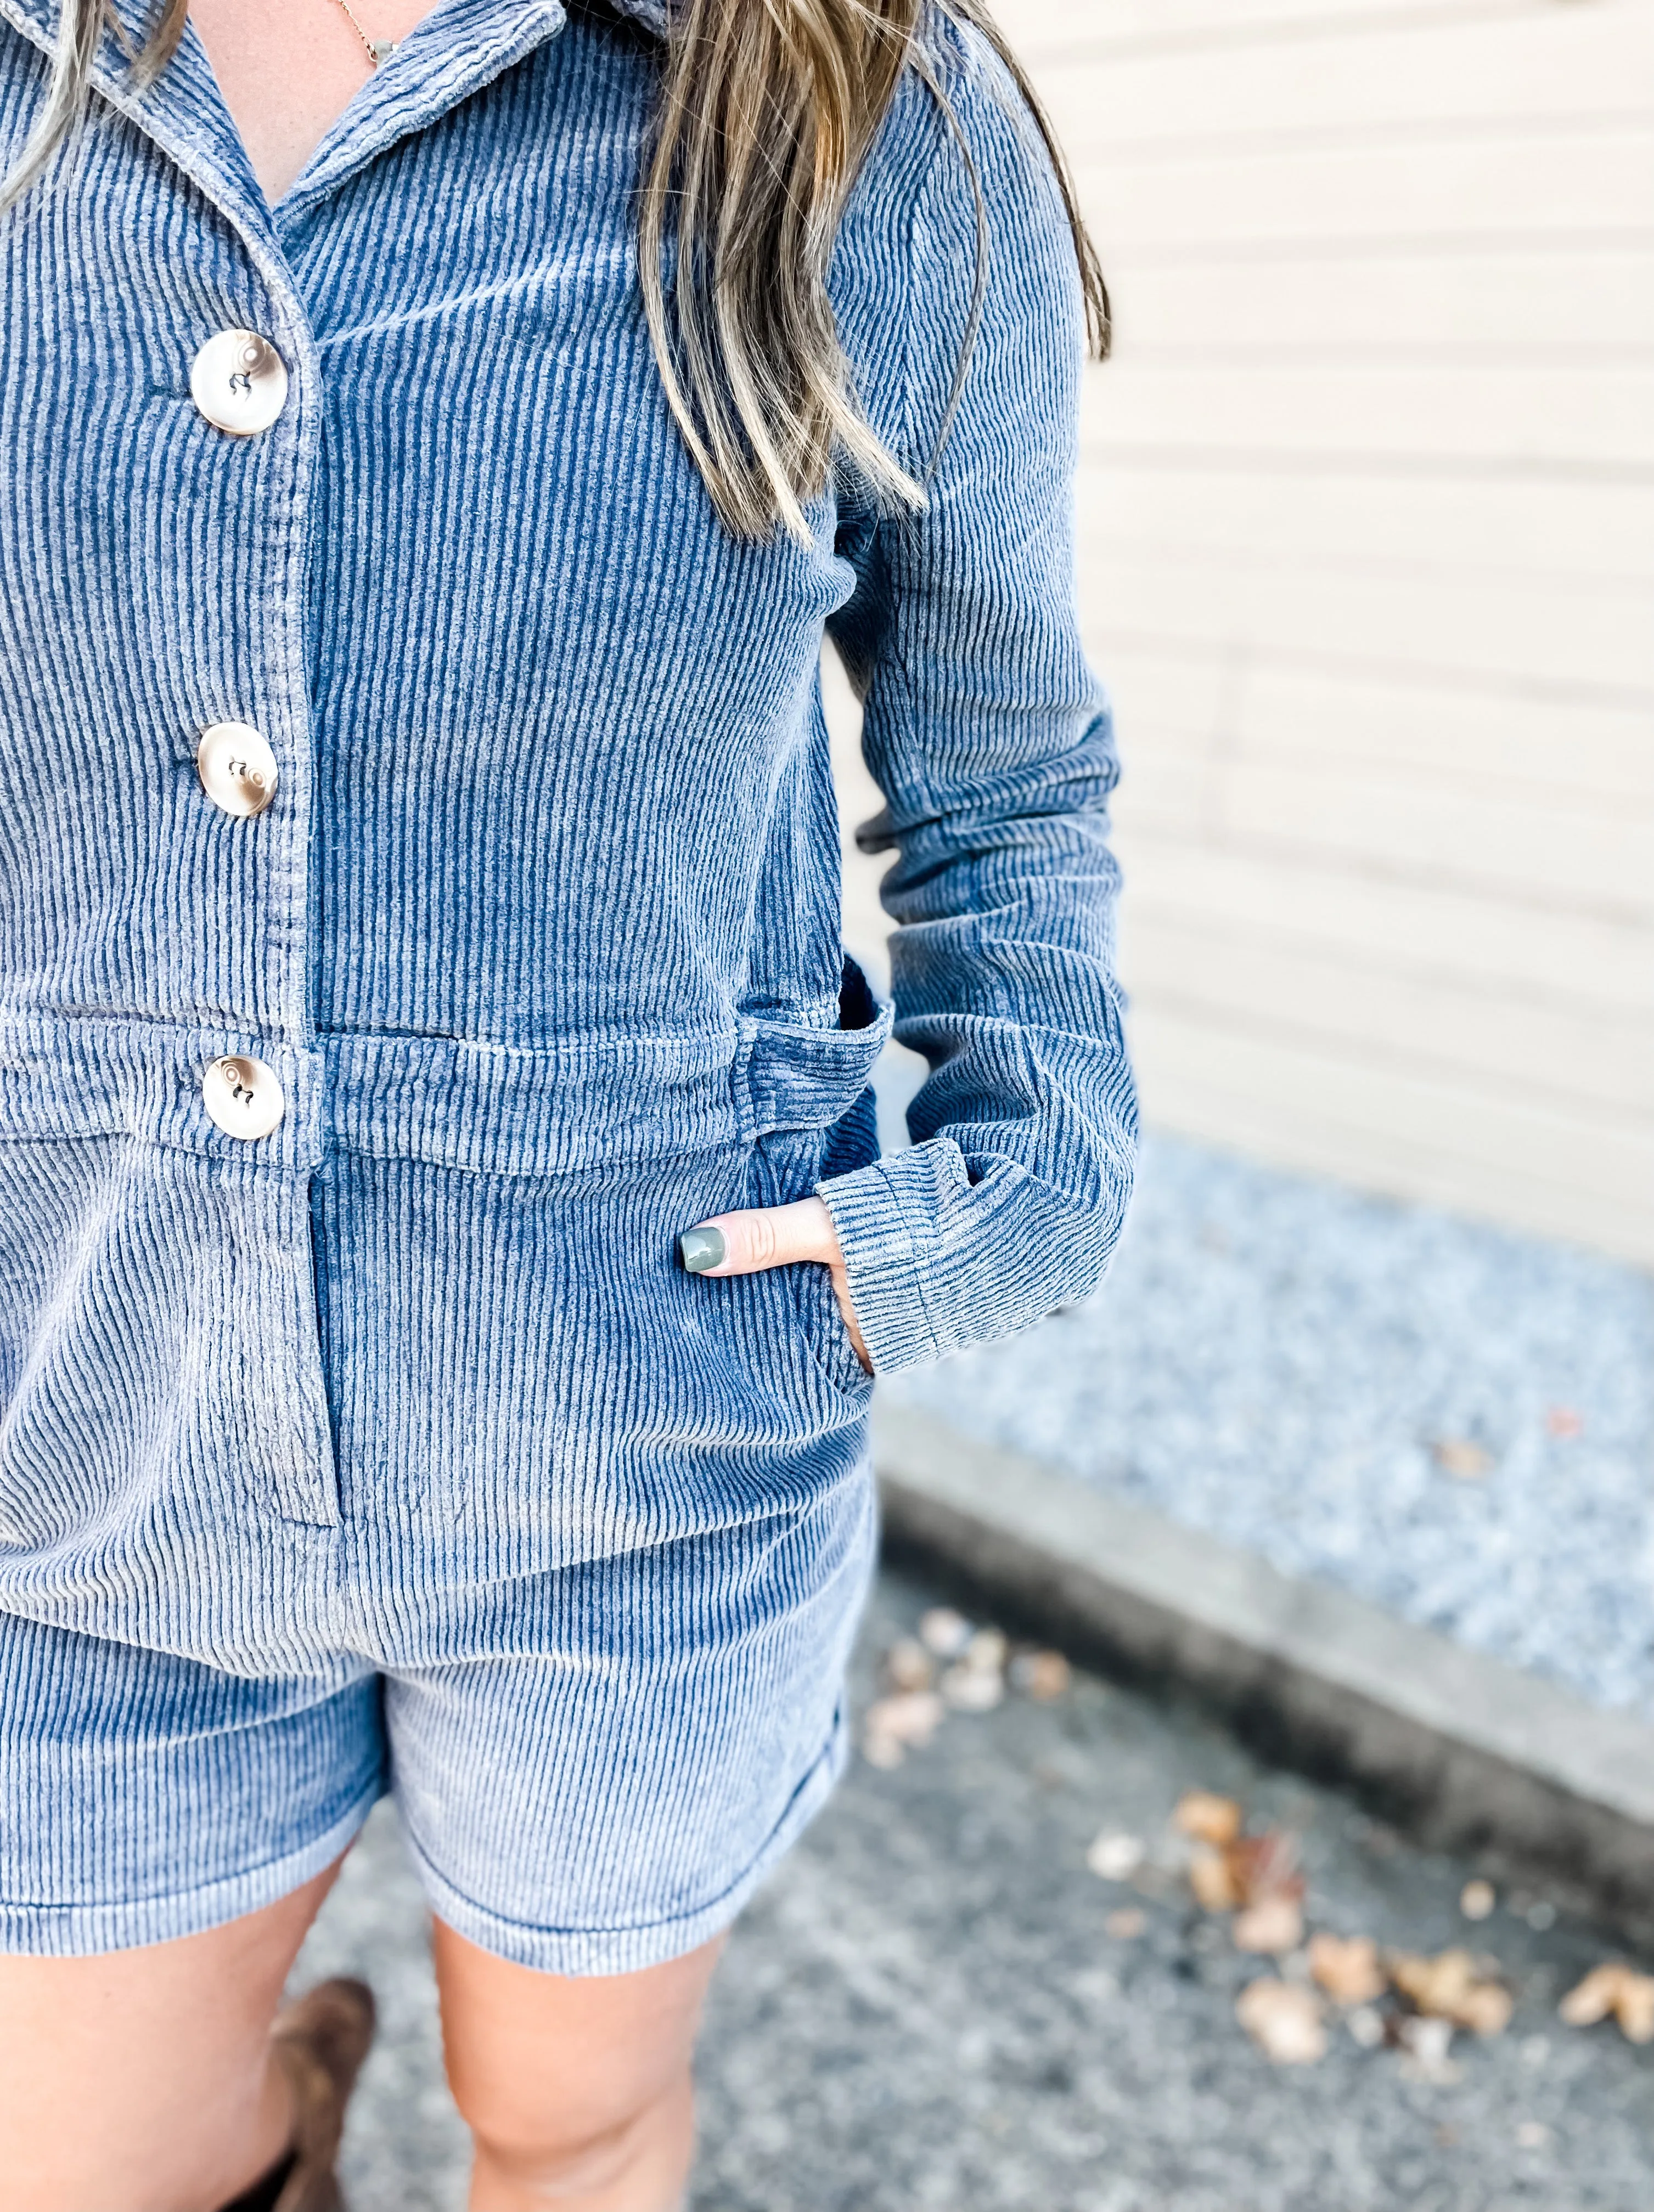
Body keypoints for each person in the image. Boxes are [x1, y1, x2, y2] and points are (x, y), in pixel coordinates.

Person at [0, 0, 1134, 2202]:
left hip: (643, 1440)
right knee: (69, 2160)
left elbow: (1005, 767)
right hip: (69, 1439)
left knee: (569, 2120)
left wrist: (1022, 1189)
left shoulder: (853, 106)